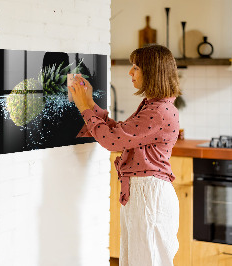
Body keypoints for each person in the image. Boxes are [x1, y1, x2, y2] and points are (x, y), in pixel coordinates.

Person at [69, 44, 181, 266]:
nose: (130, 72)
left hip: (149, 195)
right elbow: (120, 133)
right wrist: (90, 103)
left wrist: (84, 108)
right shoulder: (154, 106)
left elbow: (112, 141)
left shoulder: (158, 111)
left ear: (152, 72)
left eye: (136, 67)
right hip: (144, 193)